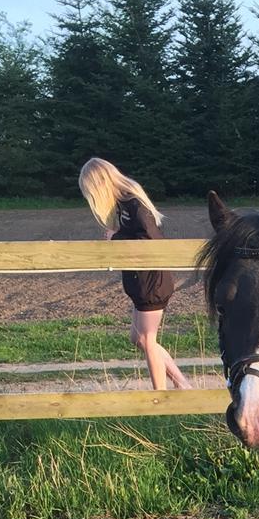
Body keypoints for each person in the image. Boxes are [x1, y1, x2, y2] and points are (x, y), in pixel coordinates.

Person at [78, 158, 190, 391]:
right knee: (138, 338)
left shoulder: (134, 205)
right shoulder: (123, 205)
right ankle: (183, 385)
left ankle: (159, 397)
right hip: (142, 282)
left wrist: (116, 238)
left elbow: (151, 241)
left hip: (152, 283)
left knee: (147, 339)